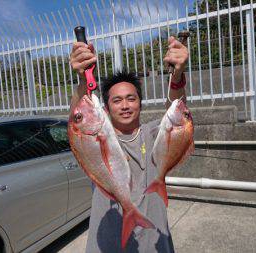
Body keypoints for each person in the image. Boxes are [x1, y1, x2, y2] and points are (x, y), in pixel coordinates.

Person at [69, 35, 189, 252]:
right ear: (105, 108)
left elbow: (177, 113)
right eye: (116, 100)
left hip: (154, 244)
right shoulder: (92, 140)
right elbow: (78, 119)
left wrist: (178, 75)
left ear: (141, 104)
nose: (125, 105)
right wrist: (81, 82)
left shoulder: (154, 134)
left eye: (131, 98)